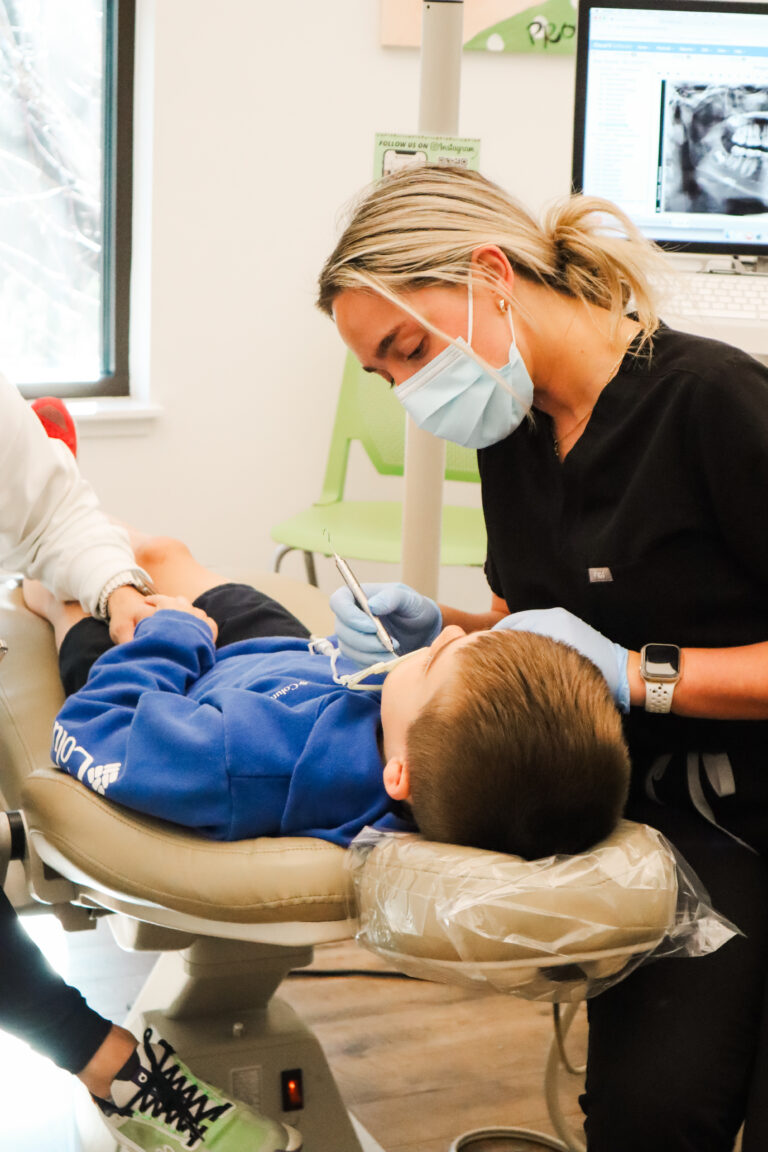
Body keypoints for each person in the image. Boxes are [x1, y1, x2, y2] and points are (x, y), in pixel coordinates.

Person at [316, 163, 768, 1152]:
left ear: (489, 273)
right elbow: (544, 625)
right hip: (670, 822)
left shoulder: (712, 405)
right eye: (383, 375)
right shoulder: (513, 431)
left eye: (406, 349)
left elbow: (607, 650)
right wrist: (444, 628)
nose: (408, 391)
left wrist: (643, 675)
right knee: (653, 1118)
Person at [0, 378, 301, 1152]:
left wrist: (119, 590)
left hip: (241, 674)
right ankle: (115, 1070)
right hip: (190, 694)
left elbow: (56, 517)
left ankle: (63, 583)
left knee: (130, 573)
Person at [24, 531, 630, 862]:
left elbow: (92, 727)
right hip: (294, 660)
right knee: (165, 554)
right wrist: (402, 666)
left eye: (437, 657)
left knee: (81, 595)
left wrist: (169, 637)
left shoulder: (243, 766)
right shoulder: (439, 752)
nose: (447, 631)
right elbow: (423, 711)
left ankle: (40, 549)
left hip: (182, 683)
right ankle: (70, 521)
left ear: (399, 775)